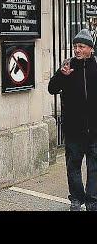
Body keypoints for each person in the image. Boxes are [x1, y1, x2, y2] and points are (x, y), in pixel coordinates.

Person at [48, 29, 97, 211]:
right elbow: (51, 89)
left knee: (94, 169)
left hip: (94, 131)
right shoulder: (67, 66)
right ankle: (76, 199)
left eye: (81, 46)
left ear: (90, 49)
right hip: (74, 130)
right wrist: (61, 75)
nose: (77, 50)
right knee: (73, 168)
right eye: (75, 46)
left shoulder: (96, 66)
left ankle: (92, 201)